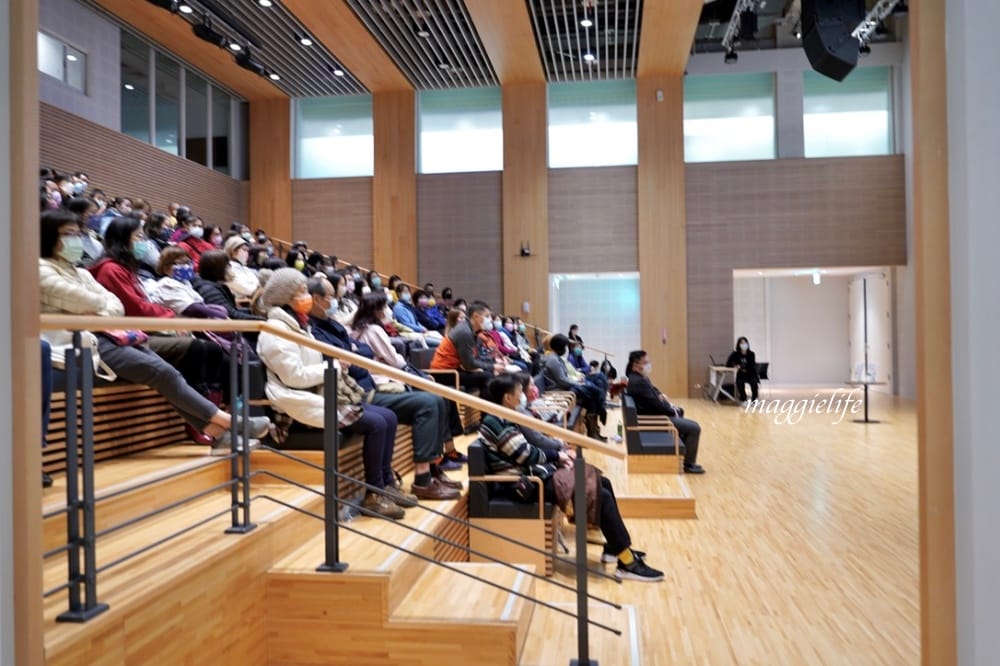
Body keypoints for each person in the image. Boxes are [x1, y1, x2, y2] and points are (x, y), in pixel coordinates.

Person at [38, 209, 268, 456]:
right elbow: (93, 301)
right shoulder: (41, 269)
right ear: (49, 236)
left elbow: (116, 307)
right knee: (162, 370)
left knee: (169, 370)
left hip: (111, 334)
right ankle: (230, 423)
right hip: (78, 341)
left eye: (77, 233)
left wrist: (93, 309)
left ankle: (219, 432)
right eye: (68, 234)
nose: (75, 239)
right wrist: (96, 307)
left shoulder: (82, 273)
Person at [255, 269, 411, 519]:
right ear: (286, 297)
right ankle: (374, 494)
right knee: (377, 423)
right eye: (302, 292)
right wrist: (334, 367)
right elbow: (293, 377)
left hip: (320, 393)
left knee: (389, 417)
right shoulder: (276, 331)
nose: (308, 296)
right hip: (296, 401)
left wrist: (333, 366)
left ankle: (386, 485)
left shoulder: (297, 324)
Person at [479, 374, 664, 582]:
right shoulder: (496, 421)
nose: (523, 395)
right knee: (599, 495)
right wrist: (557, 457)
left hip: (533, 474)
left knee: (602, 482)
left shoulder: (504, 416)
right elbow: (525, 454)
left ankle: (614, 547)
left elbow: (526, 452)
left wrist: (556, 460)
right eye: (519, 392)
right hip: (523, 485)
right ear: (507, 398)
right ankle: (627, 562)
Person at [308, 279, 463, 496]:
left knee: (437, 398)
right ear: (316, 299)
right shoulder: (317, 330)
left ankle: (432, 470)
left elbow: (362, 352)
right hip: (361, 391)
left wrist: (356, 353)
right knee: (430, 402)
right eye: (331, 296)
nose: (335, 300)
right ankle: (422, 479)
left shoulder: (334, 325)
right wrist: (356, 353)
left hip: (367, 384)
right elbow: (362, 358)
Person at [625, 350, 705, 474]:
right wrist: (671, 410)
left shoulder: (638, 377)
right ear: (635, 365)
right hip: (653, 419)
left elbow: (654, 391)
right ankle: (688, 464)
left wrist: (660, 395)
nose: (648, 364)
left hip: (653, 415)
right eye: (645, 362)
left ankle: (683, 456)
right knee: (694, 428)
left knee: (681, 415)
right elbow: (657, 406)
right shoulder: (638, 382)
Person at [542, 334, 607, 441]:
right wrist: (577, 383)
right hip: (560, 390)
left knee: (592, 394)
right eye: (564, 347)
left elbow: (565, 377)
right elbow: (562, 381)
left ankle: (594, 431)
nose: (566, 349)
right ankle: (601, 413)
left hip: (565, 387)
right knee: (593, 391)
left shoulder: (556, 358)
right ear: (559, 347)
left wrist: (577, 381)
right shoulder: (553, 360)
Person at [430, 301, 501, 393]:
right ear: (475, 316)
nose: (490, 320)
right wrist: (492, 367)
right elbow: (469, 364)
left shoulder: (472, 331)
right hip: (443, 373)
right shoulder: (465, 332)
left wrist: (494, 362)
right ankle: (483, 402)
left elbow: (475, 357)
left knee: (489, 373)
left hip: (456, 368)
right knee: (487, 377)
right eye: (487, 316)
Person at [726, 336, 759, 403]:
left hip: (751, 374)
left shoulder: (751, 354)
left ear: (747, 344)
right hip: (741, 374)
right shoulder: (735, 354)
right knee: (740, 383)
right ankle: (743, 398)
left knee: (754, 382)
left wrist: (740, 367)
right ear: (739, 344)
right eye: (742, 343)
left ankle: (754, 399)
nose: (743, 344)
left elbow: (751, 365)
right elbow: (728, 364)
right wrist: (735, 365)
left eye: (745, 343)